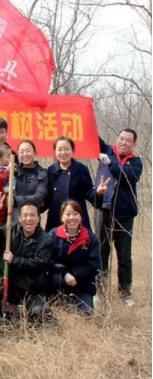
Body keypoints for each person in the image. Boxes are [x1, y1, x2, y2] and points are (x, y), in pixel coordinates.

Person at [95, 129, 143, 305]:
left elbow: (126, 176)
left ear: (133, 144)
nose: (123, 142)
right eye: (121, 138)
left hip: (124, 215)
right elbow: (92, 136)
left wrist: (109, 164)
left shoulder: (136, 162)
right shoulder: (107, 150)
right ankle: (99, 291)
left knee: (124, 255)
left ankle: (125, 293)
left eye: (128, 140)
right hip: (104, 210)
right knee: (101, 253)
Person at [0, 199, 53, 321]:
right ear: (20, 218)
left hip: (33, 289)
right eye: (25, 215)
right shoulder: (10, 230)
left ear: (38, 218)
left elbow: (38, 264)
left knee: (39, 313)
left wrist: (14, 260)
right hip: (10, 285)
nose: (29, 219)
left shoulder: (46, 240)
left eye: (32, 215)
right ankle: (1, 318)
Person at [48, 200, 101, 316]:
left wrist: (74, 274)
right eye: (68, 214)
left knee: (86, 316)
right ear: (62, 217)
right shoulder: (53, 235)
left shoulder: (90, 238)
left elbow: (94, 266)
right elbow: (48, 260)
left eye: (75, 213)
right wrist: (65, 273)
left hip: (82, 285)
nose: (71, 218)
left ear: (81, 217)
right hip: (58, 283)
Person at [46, 136, 109, 232]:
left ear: (72, 150)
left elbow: (89, 193)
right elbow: (46, 197)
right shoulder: (51, 171)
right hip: (56, 222)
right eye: (59, 150)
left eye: (67, 149)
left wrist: (98, 192)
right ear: (55, 152)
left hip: (77, 221)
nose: (63, 153)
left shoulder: (81, 169)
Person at [14, 140, 48, 220]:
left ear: (35, 152)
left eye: (28, 151)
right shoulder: (13, 172)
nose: (25, 154)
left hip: (33, 219)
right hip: (14, 219)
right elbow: (7, 195)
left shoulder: (42, 173)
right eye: (22, 152)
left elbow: (38, 198)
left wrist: (14, 200)